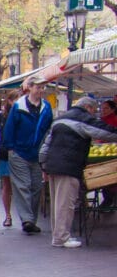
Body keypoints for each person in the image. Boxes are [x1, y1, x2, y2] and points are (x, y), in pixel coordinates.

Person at [39, 97, 117, 247]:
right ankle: (61, 238)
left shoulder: (60, 119)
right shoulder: (82, 118)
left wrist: (43, 164)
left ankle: (58, 235)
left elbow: (45, 144)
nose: (94, 114)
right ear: (88, 107)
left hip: (53, 164)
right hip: (69, 164)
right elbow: (103, 132)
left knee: (57, 202)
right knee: (66, 203)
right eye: (94, 110)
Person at [2, 76, 53, 234]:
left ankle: (32, 219)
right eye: (38, 87)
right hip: (19, 152)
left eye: (42, 88)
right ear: (29, 88)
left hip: (37, 153)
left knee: (36, 187)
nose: (40, 91)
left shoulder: (46, 107)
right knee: (23, 185)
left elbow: (49, 128)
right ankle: (27, 219)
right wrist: (11, 148)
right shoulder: (19, 106)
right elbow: (10, 129)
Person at [0, 90, 19, 226]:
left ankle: (24, 217)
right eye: (16, 99)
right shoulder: (2, 117)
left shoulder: (23, 114)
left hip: (21, 154)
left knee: (21, 186)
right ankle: (8, 215)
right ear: (10, 101)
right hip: (5, 154)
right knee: (7, 185)